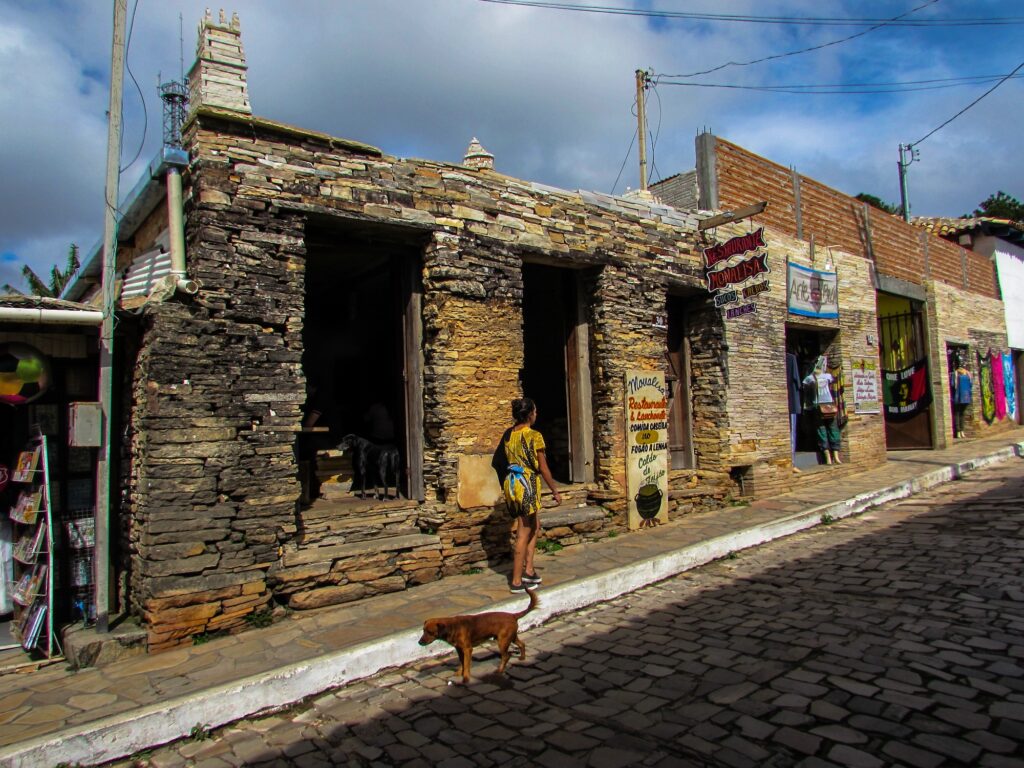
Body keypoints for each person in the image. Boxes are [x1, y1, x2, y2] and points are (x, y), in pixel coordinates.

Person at [500, 397, 561, 593]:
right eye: (535, 411)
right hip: (527, 484)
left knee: (535, 524)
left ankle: (529, 569)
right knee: (523, 531)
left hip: (513, 484)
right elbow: (543, 467)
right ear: (529, 414)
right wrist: (554, 489)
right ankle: (517, 581)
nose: (537, 414)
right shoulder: (534, 436)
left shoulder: (509, 434)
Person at [803, 363, 842, 465]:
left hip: (828, 406)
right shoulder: (810, 378)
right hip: (818, 407)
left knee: (833, 429)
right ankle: (828, 455)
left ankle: (835, 455)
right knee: (822, 431)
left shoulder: (826, 376)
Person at [951, 357, 972, 439]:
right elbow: (971, 384)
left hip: (958, 396)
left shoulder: (956, 374)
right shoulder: (968, 374)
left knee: (957, 414)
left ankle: (958, 431)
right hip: (966, 397)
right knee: (962, 414)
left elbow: (953, 385)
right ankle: (962, 431)